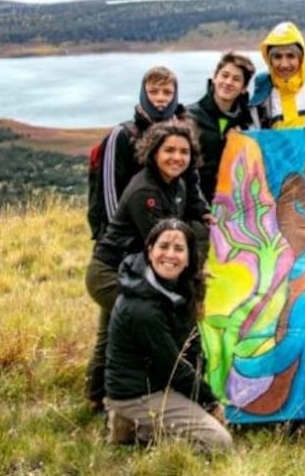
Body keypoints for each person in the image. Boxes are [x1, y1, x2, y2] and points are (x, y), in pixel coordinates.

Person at [85, 120, 204, 411]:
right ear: (153, 152)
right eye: (169, 150)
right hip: (109, 272)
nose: (177, 157)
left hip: (129, 268)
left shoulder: (176, 184)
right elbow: (165, 244)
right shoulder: (145, 191)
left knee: (109, 333)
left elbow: (188, 213)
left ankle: (95, 397)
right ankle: (139, 399)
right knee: (146, 324)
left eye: (184, 152)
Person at [104, 218, 232, 451]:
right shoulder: (143, 309)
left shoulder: (178, 288)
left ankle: (135, 423)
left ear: (189, 258)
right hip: (140, 392)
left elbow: (190, 345)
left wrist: (197, 393)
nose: (170, 255)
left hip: (161, 381)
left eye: (179, 249)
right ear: (150, 250)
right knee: (220, 443)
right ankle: (140, 428)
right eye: (163, 246)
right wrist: (209, 402)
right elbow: (172, 366)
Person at [88, 65, 185, 241]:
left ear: (175, 96)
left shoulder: (181, 134)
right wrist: (118, 238)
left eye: (167, 92)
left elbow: (189, 183)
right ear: (143, 94)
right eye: (153, 92)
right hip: (125, 239)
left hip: (165, 237)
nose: (160, 98)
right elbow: (109, 193)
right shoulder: (123, 135)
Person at [186, 51, 257, 204]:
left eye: (236, 79)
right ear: (214, 77)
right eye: (224, 75)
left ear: (244, 88)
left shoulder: (248, 122)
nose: (228, 82)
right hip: (199, 205)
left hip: (235, 206)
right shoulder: (189, 117)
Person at [249, 21, 305, 129]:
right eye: (277, 57)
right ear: (270, 60)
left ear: (301, 59)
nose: (284, 64)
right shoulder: (261, 101)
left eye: (291, 56)